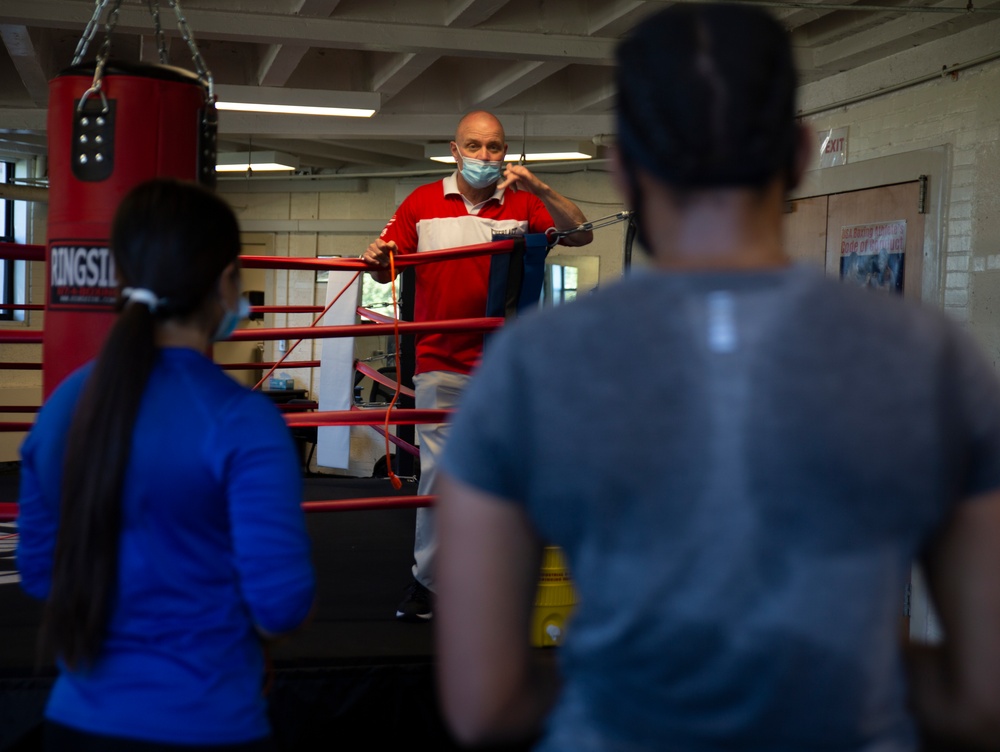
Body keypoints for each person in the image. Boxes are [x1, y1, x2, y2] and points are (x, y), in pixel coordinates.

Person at [434, 5, 1000, 751]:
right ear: (799, 155)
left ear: (623, 169)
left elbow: (486, 704)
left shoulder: (532, 365)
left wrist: (639, 682)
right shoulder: (931, 356)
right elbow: (983, 699)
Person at [17, 179, 316, 750]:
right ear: (225, 280)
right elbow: (280, 606)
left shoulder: (62, 410)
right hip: (209, 725)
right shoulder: (242, 421)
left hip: (75, 725)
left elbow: (37, 572)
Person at [361, 110, 593, 621]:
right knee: (441, 477)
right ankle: (428, 583)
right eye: (475, 146)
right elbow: (384, 259)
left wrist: (542, 187)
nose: (486, 157)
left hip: (503, 366)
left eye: (495, 147)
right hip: (440, 361)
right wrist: (378, 257)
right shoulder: (422, 203)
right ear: (455, 149)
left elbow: (581, 235)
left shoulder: (524, 203)